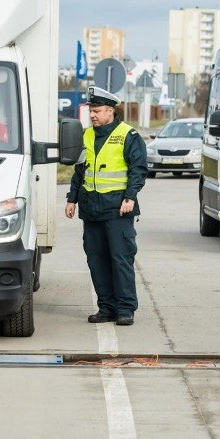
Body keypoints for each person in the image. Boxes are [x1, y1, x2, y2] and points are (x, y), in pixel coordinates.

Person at [65, 86, 148, 326]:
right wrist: (72, 199)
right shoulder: (87, 136)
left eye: (97, 111)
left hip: (117, 210)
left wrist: (130, 196)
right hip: (91, 210)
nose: (93, 115)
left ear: (110, 111)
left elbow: (138, 169)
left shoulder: (128, 135)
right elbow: (80, 170)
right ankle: (106, 308)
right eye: (91, 111)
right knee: (96, 260)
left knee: (120, 259)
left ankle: (125, 308)